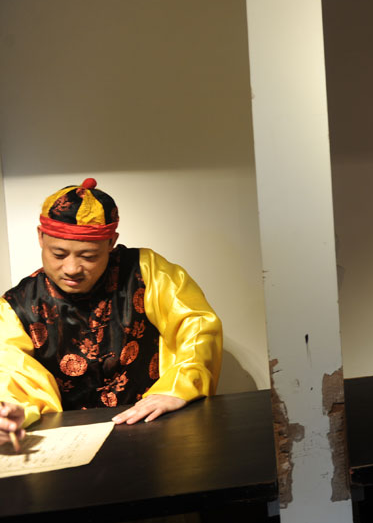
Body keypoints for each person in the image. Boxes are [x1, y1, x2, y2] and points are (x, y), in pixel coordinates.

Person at [0, 178, 222, 450]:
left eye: (88, 256)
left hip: (153, 427)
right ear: (40, 237)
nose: (71, 268)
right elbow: (11, 372)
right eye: (58, 254)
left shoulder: (147, 271)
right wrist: (16, 412)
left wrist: (176, 388)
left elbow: (196, 327)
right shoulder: (17, 306)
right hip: (71, 446)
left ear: (110, 242)